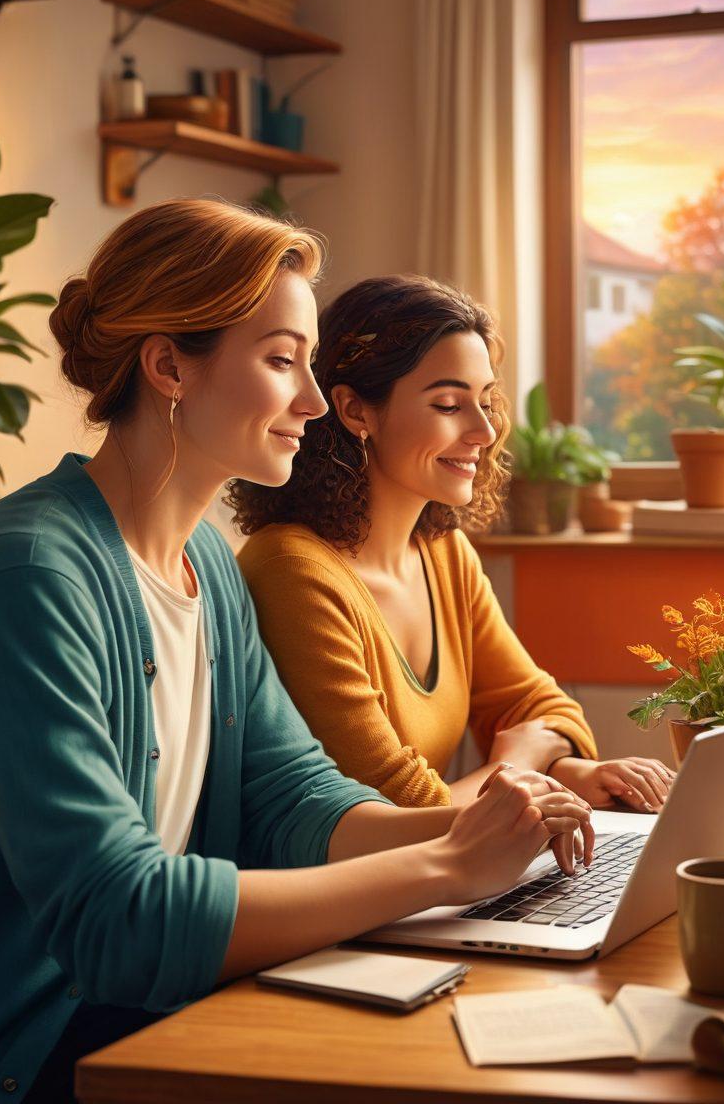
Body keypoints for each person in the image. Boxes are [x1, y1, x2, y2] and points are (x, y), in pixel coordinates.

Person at [0, 203, 593, 1104]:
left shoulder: (205, 563)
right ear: (168, 367)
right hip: (21, 1051)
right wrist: (445, 867)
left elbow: (292, 799)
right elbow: (118, 920)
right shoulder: (29, 579)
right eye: (282, 361)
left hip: (151, 1007)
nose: (314, 401)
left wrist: (495, 828)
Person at [233, 274, 675, 812]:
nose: (484, 432)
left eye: (485, 401)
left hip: (438, 859)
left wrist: (574, 772)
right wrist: (515, 768)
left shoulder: (444, 552)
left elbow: (538, 705)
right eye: (448, 405)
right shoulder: (293, 573)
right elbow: (393, 811)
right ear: (354, 411)